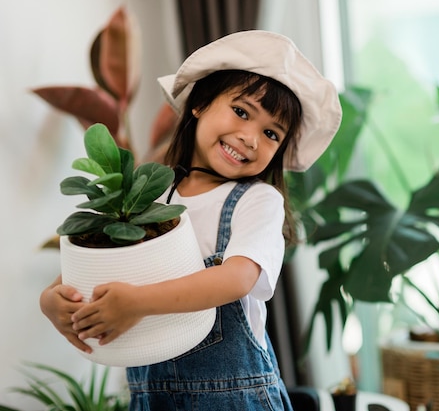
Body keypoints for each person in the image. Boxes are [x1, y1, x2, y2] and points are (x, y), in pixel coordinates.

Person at [39, 30, 342, 410]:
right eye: (242, 111)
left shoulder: (257, 200)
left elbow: (236, 279)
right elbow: (88, 265)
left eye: (270, 133)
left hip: (236, 399)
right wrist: (52, 301)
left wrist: (137, 302)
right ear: (200, 103)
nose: (250, 138)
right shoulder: (148, 194)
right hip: (151, 400)